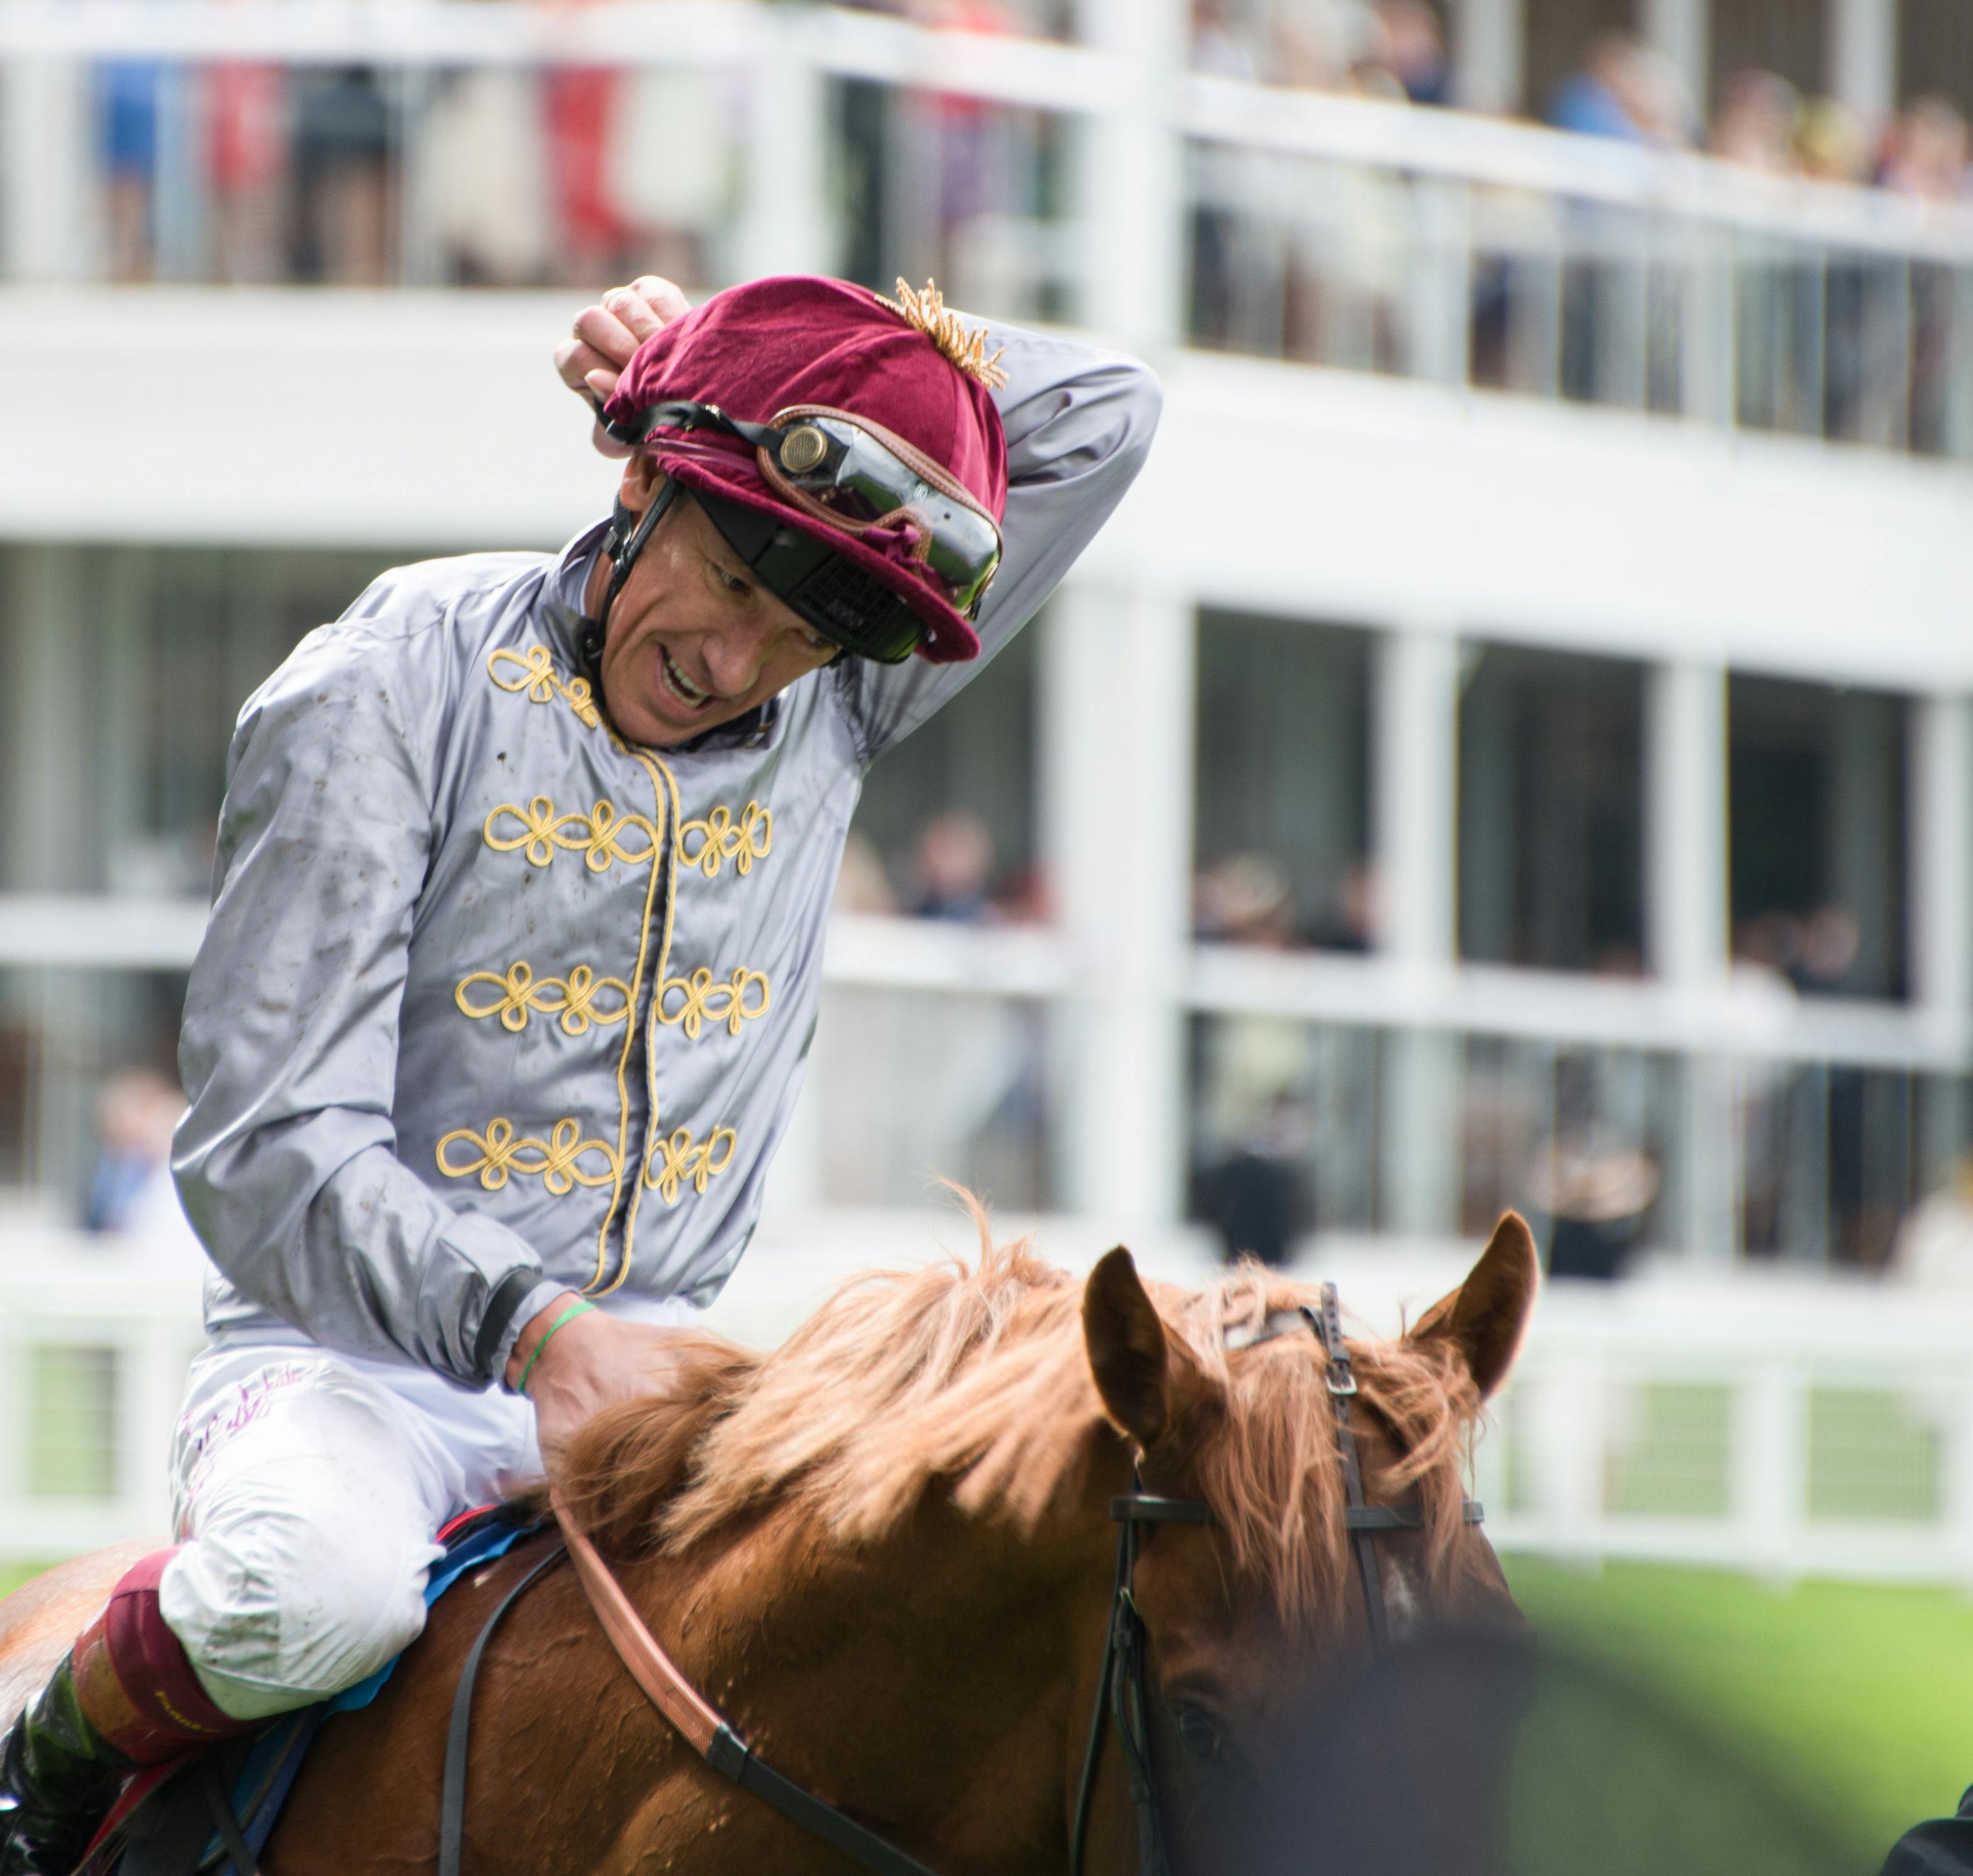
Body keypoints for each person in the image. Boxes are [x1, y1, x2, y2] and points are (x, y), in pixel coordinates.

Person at [0, 271, 1159, 1873]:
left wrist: (764, 356)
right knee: (309, 1595)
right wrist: (531, 1330)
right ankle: (29, 1774)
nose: (742, 660)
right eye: (734, 582)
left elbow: (1104, 413)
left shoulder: (847, 688)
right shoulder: (390, 675)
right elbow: (266, 1146)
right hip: (356, 1371)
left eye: (802, 626)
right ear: (641, 482)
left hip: (669, 1375)